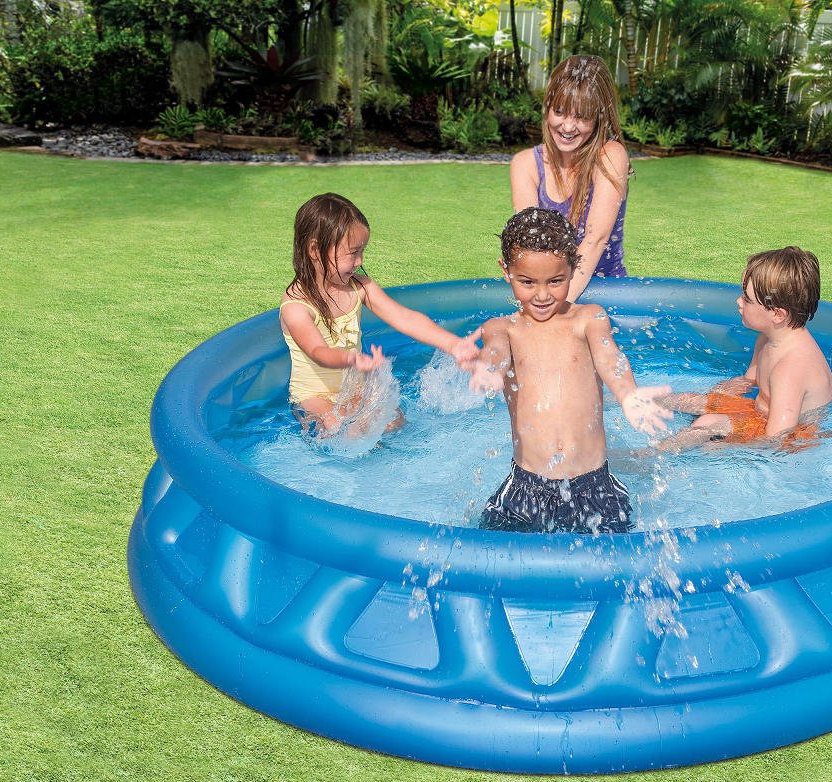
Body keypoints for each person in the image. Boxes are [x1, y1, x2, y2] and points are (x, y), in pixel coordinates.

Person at [469, 207, 671, 533]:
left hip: (593, 484)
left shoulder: (588, 318)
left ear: (573, 269)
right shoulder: (503, 328)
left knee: (616, 556)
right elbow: (495, 351)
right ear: (506, 271)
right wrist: (490, 369)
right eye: (527, 282)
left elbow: (609, 358)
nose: (542, 294)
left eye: (556, 281)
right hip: (527, 485)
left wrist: (628, 394)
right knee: (491, 551)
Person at [280, 192, 480, 436]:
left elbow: (405, 318)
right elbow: (318, 352)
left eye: (362, 251)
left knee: (393, 420)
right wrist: (351, 359)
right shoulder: (297, 306)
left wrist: (453, 344)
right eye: (353, 252)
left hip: (353, 388)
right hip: (314, 397)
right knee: (336, 429)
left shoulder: (359, 287)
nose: (359, 261)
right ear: (314, 250)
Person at [648, 247, 832, 454]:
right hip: (760, 414)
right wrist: (718, 394)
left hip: (795, 436)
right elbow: (749, 380)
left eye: (747, 299)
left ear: (777, 314)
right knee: (693, 401)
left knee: (706, 423)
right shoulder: (768, 337)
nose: (738, 301)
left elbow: (778, 437)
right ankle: (634, 399)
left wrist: (730, 448)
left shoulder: (790, 369)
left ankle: (650, 455)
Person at [509, 54, 629, 302]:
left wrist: (559, 307)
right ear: (547, 108)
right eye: (560, 111)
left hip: (607, 294)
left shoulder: (610, 156)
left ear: (599, 118)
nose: (567, 126)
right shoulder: (526, 165)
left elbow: (595, 240)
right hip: (546, 297)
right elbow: (530, 247)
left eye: (582, 116)